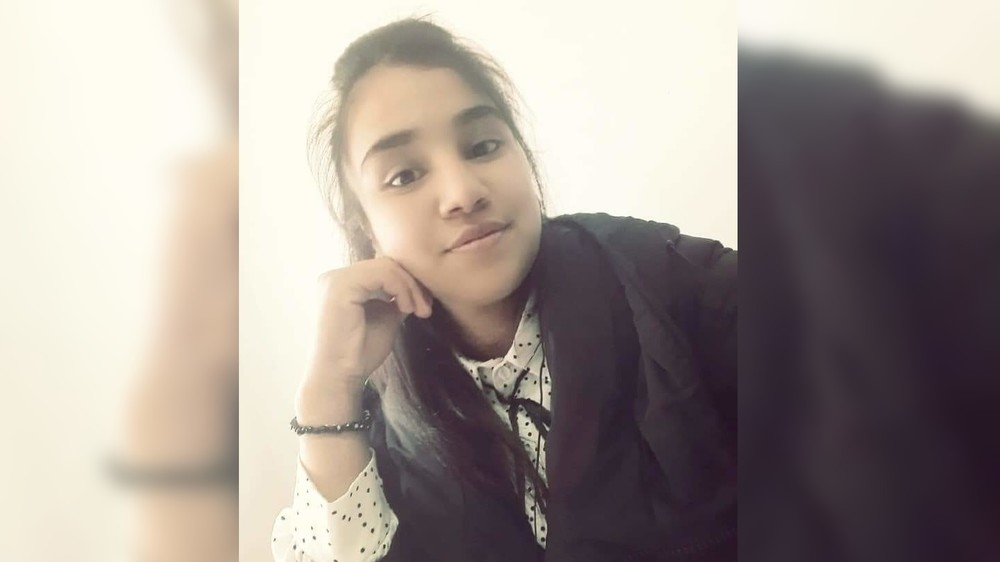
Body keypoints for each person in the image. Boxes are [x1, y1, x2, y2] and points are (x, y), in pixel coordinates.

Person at [271, 18, 737, 562]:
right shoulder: (374, 407)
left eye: (482, 145)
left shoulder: (667, 281)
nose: (462, 192)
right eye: (404, 176)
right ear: (365, 228)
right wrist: (328, 392)